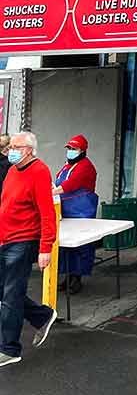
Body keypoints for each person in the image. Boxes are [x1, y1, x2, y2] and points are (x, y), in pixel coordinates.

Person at [0, 131, 57, 366]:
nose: (11, 150)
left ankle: (9, 349)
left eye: (16, 147)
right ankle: (42, 315)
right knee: (5, 292)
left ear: (29, 150)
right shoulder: (13, 171)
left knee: (11, 296)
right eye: (10, 146)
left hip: (23, 241)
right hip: (6, 238)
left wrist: (46, 248)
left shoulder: (39, 171)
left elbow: (47, 213)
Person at [54, 134, 99, 295]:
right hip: (67, 209)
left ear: (82, 150)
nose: (70, 151)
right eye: (69, 148)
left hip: (82, 210)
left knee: (81, 245)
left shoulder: (85, 166)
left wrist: (52, 192)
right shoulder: (67, 166)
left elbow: (70, 184)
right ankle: (67, 276)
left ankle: (77, 278)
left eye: (74, 149)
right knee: (66, 246)